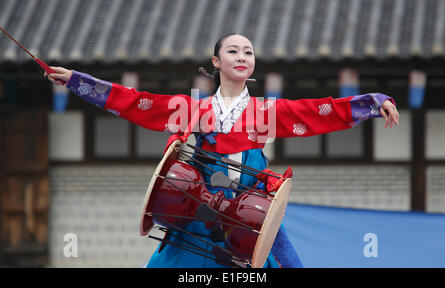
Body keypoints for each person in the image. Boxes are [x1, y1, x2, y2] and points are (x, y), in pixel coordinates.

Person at [44, 33, 400, 268]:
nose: (242, 56)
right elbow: (136, 103)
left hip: (246, 216)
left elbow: (319, 111)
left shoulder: (266, 111)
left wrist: (374, 103)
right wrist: (75, 80)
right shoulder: (190, 107)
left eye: (248, 52)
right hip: (195, 212)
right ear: (215, 62)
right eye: (232, 51)